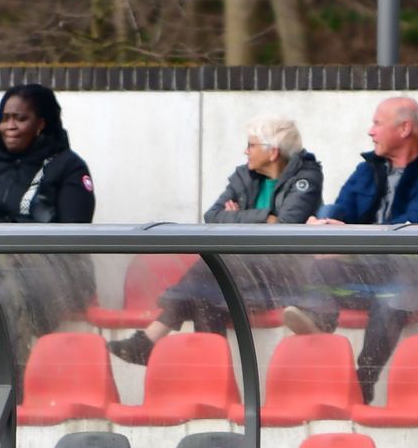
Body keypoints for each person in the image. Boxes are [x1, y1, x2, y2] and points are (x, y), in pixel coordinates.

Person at [108, 116, 324, 364]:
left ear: (273, 152)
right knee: (206, 296)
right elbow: (213, 216)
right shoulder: (244, 176)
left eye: (251, 145)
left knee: (211, 272)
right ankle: (213, 379)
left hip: (280, 279)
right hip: (238, 278)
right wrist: (265, 217)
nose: (245, 151)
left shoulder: (306, 178)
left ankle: (150, 341)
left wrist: (238, 217)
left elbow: (285, 228)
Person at [301, 97, 418, 399]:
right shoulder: (368, 169)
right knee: (321, 266)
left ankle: (362, 382)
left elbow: (416, 226)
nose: (370, 131)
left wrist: (350, 239)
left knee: (391, 298)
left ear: (404, 128)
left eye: (377, 123)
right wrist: (325, 224)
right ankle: (318, 320)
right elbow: (343, 208)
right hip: (372, 270)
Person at [0, 84, 96, 332]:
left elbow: (74, 237)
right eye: (5, 118)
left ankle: (14, 359)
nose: (10, 126)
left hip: (46, 272)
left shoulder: (68, 166)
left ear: (41, 123)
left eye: (20, 118)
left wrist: (16, 249)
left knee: (8, 294)